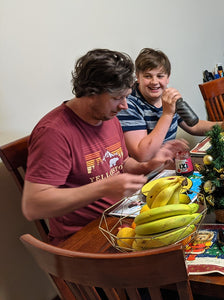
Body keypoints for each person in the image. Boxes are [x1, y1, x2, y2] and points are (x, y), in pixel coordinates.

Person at [22, 49, 189, 245]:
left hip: (120, 219)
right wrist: (103, 187)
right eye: (118, 98)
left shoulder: (108, 117)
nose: (125, 106)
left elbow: (123, 162)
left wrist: (148, 165)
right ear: (91, 93)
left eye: (126, 96)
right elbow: (33, 206)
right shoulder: (54, 132)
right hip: (83, 239)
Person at [117, 48, 224, 161]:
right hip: (147, 174)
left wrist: (222, 125)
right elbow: (142, 155)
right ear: (137, 77)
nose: (154, 82)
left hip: (169, 163)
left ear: (168, 78)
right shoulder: (128, 104)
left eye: (160, 76)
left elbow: (194, 126)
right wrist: (167, 114)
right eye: (147, 76)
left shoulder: (168, 96)